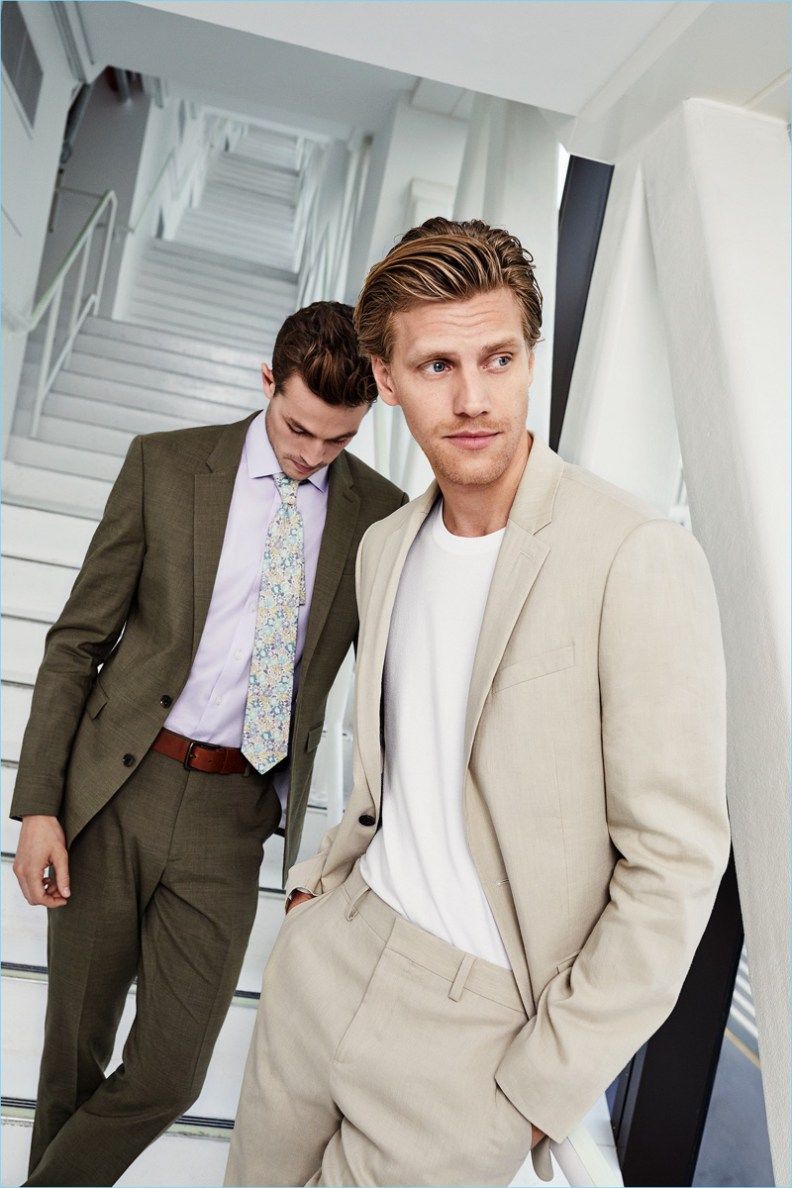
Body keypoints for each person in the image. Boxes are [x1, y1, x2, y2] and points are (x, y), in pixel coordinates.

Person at [224, 220, 731, 1188]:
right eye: (437, 366)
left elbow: (674, 865)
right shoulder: (386, 547)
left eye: (498, 359)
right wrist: (320, 892)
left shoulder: (634, 556)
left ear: (531, 357)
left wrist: (541, 1086)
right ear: (386, 380)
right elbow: (394, 765)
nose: (473, 399)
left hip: (475, 1039)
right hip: (333, 958)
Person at [10, 300, 407, 1186]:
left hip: (236, 813)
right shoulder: (165, 465)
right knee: (72, 1053)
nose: (311, 455)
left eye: (338, 440)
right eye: (299, 427)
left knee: (171, 1072)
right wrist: (38, 805)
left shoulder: (382, 519)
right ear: (268, 380)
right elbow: (77, 642)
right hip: (118, 790)